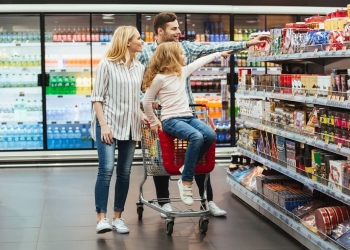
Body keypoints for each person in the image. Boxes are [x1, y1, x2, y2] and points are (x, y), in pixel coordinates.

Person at [137, 12, 270, 216]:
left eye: (179, 28)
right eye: (174, 29)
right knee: (161, 161)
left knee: (199, 153)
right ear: (160, 31)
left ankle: (206, 200)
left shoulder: (185, 48)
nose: (179, 32)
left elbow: (212, 48)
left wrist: (248, 43)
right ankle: (164, 203)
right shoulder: (145, 53)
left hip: (188, 110)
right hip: (164, 116)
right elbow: (137, 86)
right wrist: (147, 106)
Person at [142, 42, 231, 206]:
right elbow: (147, 101)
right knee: (196, 137)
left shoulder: (181, 72)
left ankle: (186, 167)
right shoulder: (159, 78)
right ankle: (186, 181)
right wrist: (154, 121)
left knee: (210, 134)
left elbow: (201, 61)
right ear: (172, 57)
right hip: (170, 120)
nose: (185, 56)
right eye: (182, 54)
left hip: (188, 117)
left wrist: (220, 54)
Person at [91, 26, 148, 234]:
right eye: (139, 38)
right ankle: (101, 218)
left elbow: (135, 100)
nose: (142, 42)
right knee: (106, 170)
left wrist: (142, 114)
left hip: (131, 125)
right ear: (127, 42)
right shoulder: (107, 64)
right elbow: (96, 98)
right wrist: (104, 125)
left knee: (124, 172)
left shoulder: (139, 67)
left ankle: (118, 217)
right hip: (109, 124)